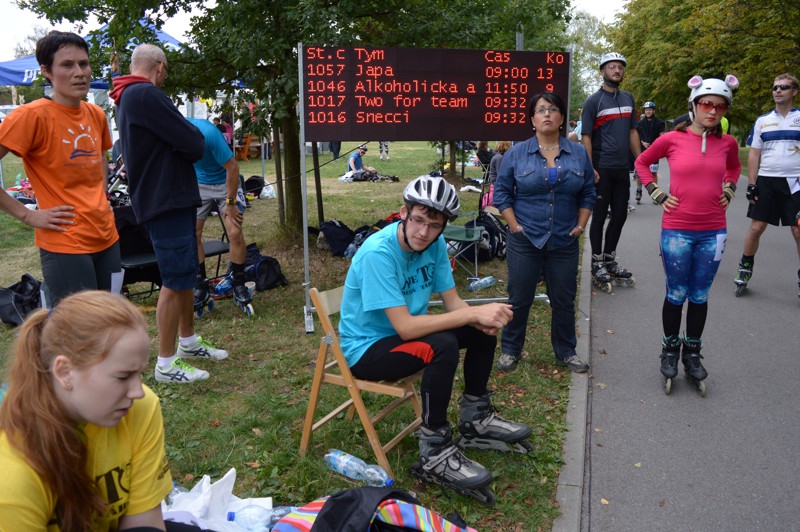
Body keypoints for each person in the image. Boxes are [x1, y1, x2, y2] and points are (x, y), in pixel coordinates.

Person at [338, 175, 531, 500]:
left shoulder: (434, 244)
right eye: (418, 221)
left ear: (443, 227)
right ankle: (434, 451)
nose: (423, 232)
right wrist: (471, 313)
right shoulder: (378, 254)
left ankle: (475, 419)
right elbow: (406, 328)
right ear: (403, 213)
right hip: (367, 350)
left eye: (434, 225)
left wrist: (478, 318)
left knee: (480, 331)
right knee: (442, 345)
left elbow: (454, 302)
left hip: (403, 335)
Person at [0, 291, 173, 530]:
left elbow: (144, 524)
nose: (138, 391)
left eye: (139, 373)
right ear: (64, 372)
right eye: (123, 376)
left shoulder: (139, 409)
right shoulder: (10, 472)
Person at [110, 44, 227, 384]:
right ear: (159, 67)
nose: (167, 75)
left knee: (185, 272)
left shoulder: (128, 96)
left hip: (167, 196)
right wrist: (185, 139)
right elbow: (194, 143)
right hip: (165, 199)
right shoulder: (145, 94)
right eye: (168, 70)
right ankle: (165, 362)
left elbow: (183, 139)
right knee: (174, 279)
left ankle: (188, 343)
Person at [635, 75, 741, 395]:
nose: (713, 110)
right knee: (677, 293)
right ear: (693, 105)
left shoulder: (729, 143)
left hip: (714, 232)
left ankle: (692, 354)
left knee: (700, 295)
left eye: (719, 106)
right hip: (677, 229)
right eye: (706, 103)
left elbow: (735, 169)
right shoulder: (671, 139)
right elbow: (642, 162)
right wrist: (656, 192)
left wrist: (730, 187)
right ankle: (669, 350)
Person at [0, 31, 121, 305]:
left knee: (110, 321)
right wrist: (28, 216)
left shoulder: (96, 114)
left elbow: (100, 155)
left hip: (107, 236)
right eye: (67, 65)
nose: (80, 72)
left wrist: (102, 196)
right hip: (66, 243)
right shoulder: (31, 116)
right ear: (47, 71)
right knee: (79, 332)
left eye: (84, 63)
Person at [493, 92, 596, 373]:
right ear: (532, 120)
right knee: (519, 297)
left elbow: (588, 192)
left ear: (562, 118)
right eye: (541, 110)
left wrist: (580, 225)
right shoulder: (516, 154)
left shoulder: (578, 154)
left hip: (564, 239)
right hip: (525, 240)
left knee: (563, 299)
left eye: (553, 109)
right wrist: (514, 226)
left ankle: (566, 352)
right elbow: (501, 194)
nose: (547, 114)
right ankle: (511, 350)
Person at [733, 73, 800, 298]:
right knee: (756, 227)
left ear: (794, 91)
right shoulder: (763, 121)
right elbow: (754, 153)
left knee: (798, 230)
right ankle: (745, 268)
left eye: (783, 87)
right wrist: (752, 183)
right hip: (767, 180)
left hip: (795, 183)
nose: (777, 90)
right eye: (775, 87)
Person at [581, 52, 641, 291]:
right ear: (602, 71)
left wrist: (640, 162)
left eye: (620, 67)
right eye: (612, 67)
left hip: (621, 169)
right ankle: (596, 262)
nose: (617, 70)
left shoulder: (628, 98)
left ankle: (609, 259)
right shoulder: (593, 101)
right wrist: (590, 167)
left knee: (620, 215)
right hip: (601, 168)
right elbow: (586, 136)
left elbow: (632, 132)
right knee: (599, 215)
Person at [188, 117, 253, 312]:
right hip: (199, 184)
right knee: (193, 234)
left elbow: (233, 168)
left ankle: (238, 283)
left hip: (225, 182)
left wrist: (231, 203)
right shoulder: (173, 132)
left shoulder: (209, 135)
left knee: (234, 232)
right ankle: (201, 286)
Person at [635, 101, 666, 203]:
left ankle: (655, 193)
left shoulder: (659, 122)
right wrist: (642, 142)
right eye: (646, 110)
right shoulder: (640, 123)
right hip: (643, 150)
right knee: (640, 173)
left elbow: (662, 136)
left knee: (653, 172)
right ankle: (639, 190)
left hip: (654, 150)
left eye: (650, 110)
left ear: (653, 110)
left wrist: (655, 145)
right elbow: (636, 136)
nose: (648, 111)